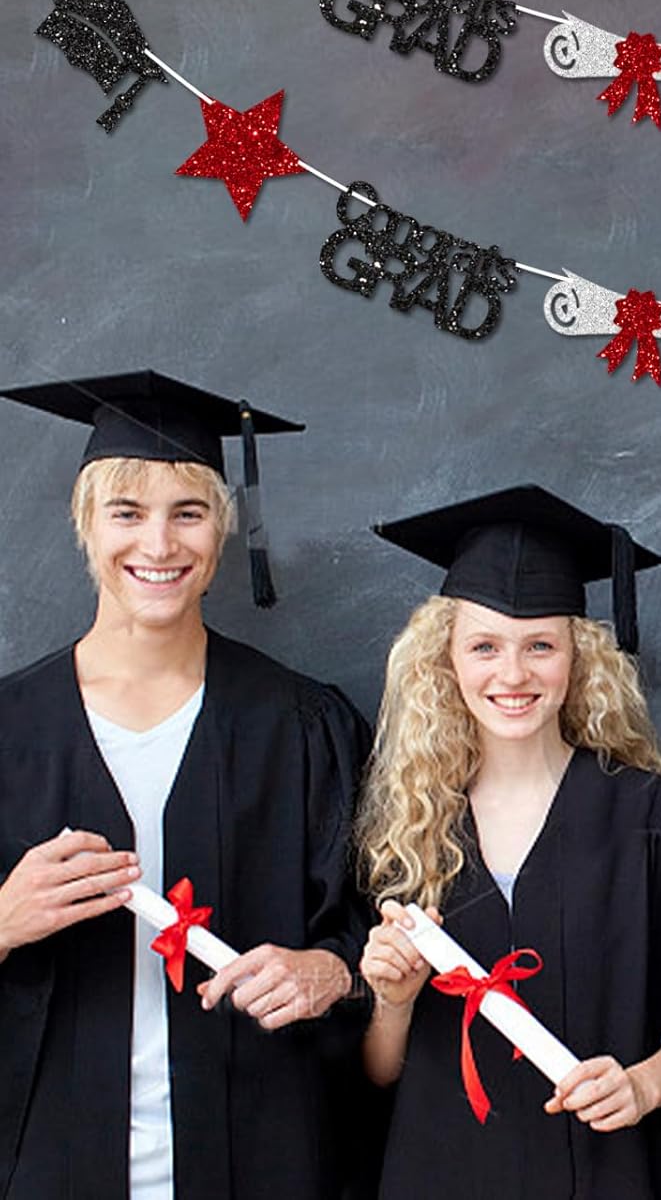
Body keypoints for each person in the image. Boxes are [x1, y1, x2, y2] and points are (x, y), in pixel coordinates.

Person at [0, 370, 372, 1200]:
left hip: (265, 1153)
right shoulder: (9, 730)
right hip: (43, 1164)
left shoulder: (302, 724)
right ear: (85, 524)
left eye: (189, 513)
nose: (159, 546)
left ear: (222, 531)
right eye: (128, 513)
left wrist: (333, 972)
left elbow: (378, 929)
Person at [356, 484, 661, 1199]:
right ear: (446, 661)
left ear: (578, 660)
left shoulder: (653, 819)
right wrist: (393, 1001)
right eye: (484, 646)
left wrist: (643, 1085)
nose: (512, 674)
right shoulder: (408, 831)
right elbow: (377, 1074)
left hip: (615, 1173)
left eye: (539, 646)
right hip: (444, 1177)